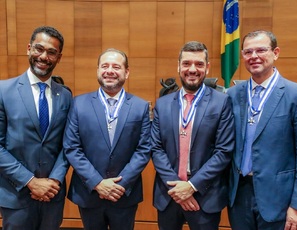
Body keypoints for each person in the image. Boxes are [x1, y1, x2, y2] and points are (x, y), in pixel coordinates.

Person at [63, 48, 151, 230]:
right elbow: (72, 147)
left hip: (124, 193)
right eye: (105, 66)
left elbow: (143, 150)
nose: (110, 71)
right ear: (97, 70)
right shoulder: (78, 104)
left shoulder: (140, 106)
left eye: (116, 67)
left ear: (126, 72)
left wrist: (121, 184)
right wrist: (97, 183)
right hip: (90, 193)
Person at [151, 41, 235, 230]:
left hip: (205, 194)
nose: (192, 69)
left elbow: (224, 151)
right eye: (187, 63)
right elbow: (156, 148)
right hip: (168, 193)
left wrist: (191, 186)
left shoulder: (221, 103)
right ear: (179, 66)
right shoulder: (162, 104)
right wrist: (176, 187)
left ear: (207, 67)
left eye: (199, 64)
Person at [0, 26, 72, 229]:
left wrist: (55, 181)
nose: (44, 56)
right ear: (29, 49)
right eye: (39, 49)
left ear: (59, 57)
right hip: (16, 194)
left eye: (51, 52)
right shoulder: (3, 91)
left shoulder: (65, 95)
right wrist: (31, 181)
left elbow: (68, 145)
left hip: (52, 195)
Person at [227, 30, 297, 230]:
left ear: (275, 53)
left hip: (279, 199)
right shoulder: (232, 95)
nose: (254, 56)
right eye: (248, 52)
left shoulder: (295, 95)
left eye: (261, 50)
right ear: (242, 56)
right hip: (239, 195)